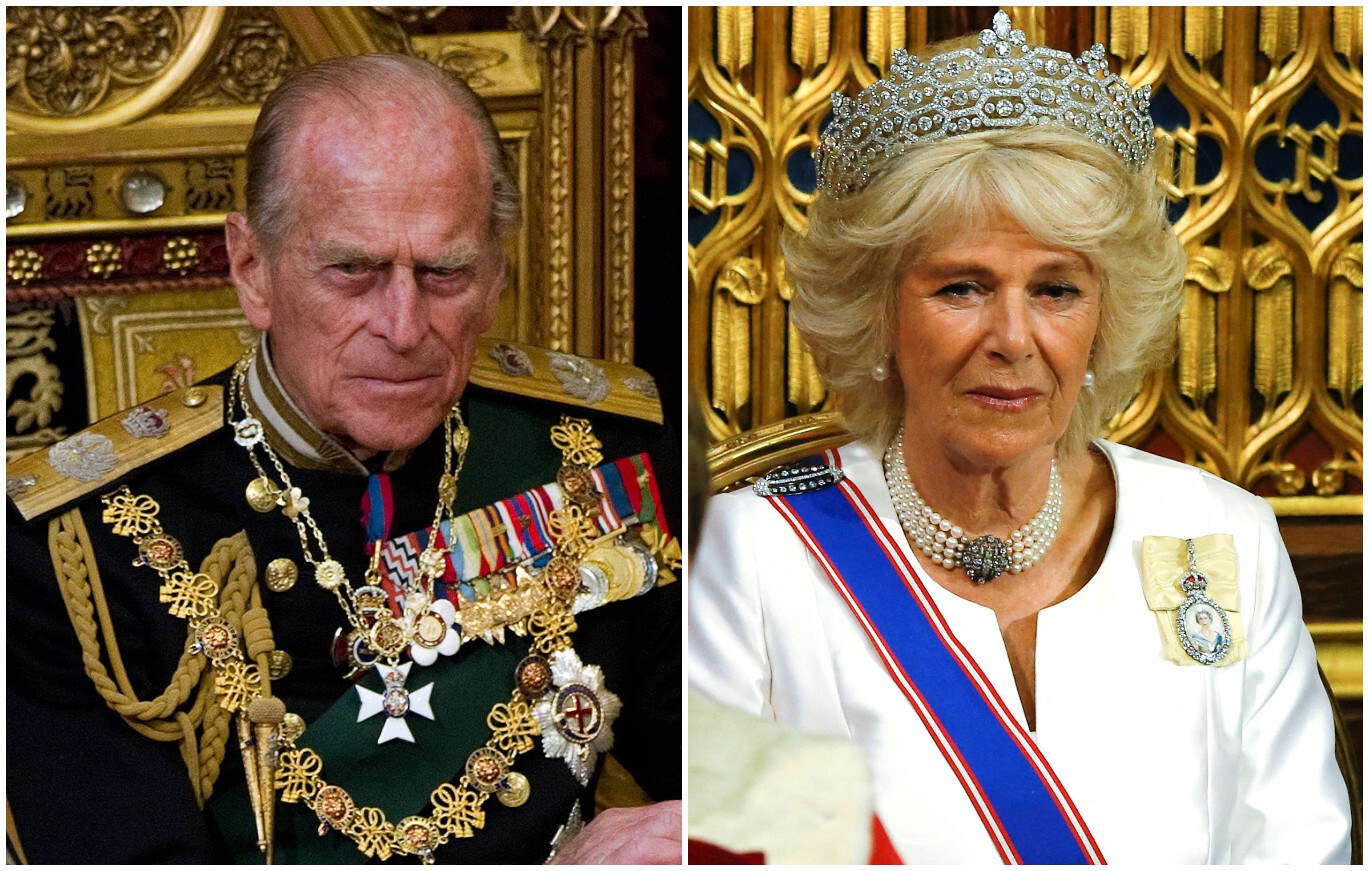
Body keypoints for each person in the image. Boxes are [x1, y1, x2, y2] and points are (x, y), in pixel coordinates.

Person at [689, 11, 1350, 864]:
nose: (1012, 336)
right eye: (962, 286)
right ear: (877, 310)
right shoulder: (749, 560)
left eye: (1056, 289)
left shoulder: (1225, 535)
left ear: (1104, 313)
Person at [8, 54, 680, 864]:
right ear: (252, 269)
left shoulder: (587, 460)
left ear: (497, 274)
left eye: (444, 271)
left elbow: (775, 783)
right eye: (352, 270)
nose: (403, 327)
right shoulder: (75, 548)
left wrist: (700, 828)